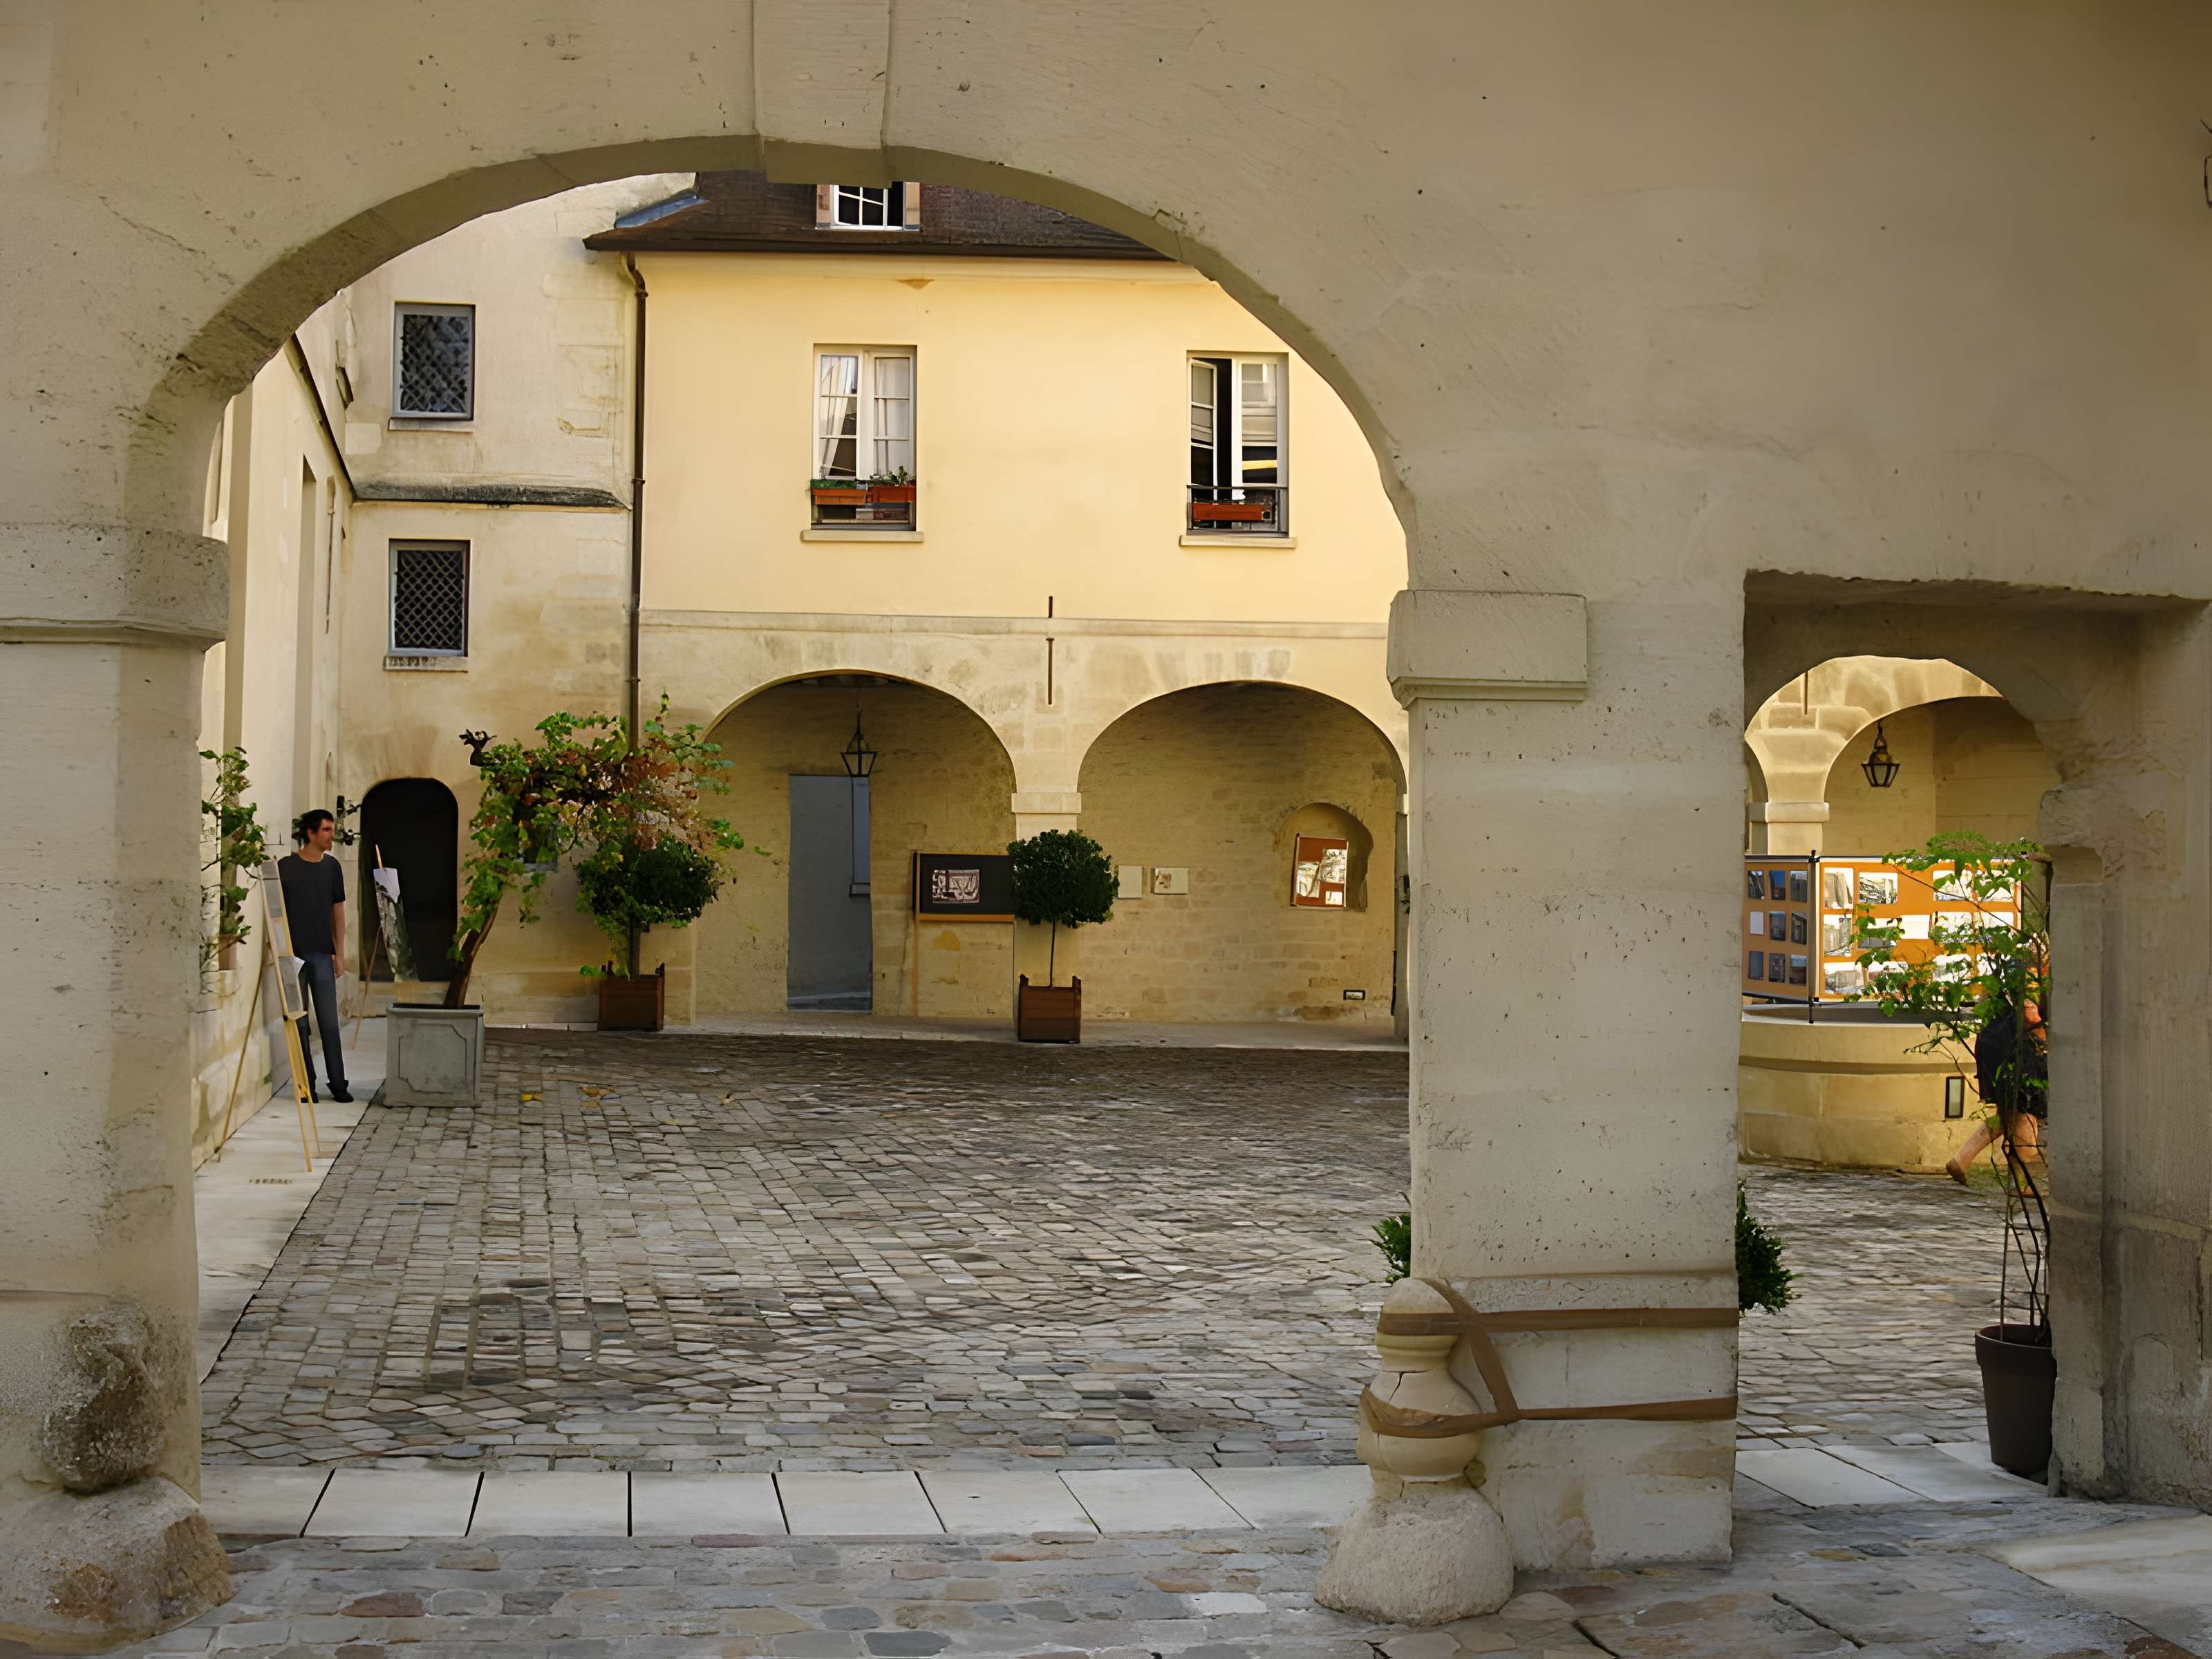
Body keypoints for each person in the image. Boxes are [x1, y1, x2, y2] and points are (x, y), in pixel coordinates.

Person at [279, 809, 352, 1103]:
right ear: (310, 833)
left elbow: (339, 910)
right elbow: (276, 912)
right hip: (291, 956)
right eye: (325, 830)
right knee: (299, 1022)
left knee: (329, 1023)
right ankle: (306, 1085)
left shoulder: (332, 867)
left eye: (332, 830)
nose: (330, 836)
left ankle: (338, 1084)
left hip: (322, 953)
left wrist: (340, 952)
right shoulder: (285, 867)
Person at [1947, 996, 2046, 1183]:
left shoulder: (2008, 970)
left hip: (1992, 1040)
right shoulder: (2030, 969)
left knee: (2010, 1112)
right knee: (2023, 1111)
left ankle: (1962, 1160)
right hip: (2014, 1046)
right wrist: (2045, 1042)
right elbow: (2030, 1014)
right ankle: (2024, 1182)